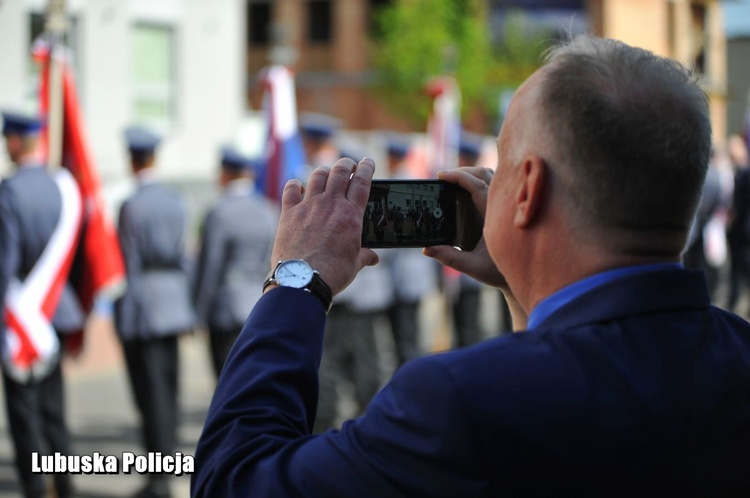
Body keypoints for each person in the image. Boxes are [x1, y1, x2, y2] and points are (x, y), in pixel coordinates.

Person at [192, 35, 750, 496]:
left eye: (502, 164)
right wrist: (522, 280)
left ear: (527, 189)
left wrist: (297, 278)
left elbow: (231, 480)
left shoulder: (454, 400)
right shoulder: (737, 351)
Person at [0, 111, 85, 498]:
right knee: (54, 409)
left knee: (24, 413)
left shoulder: (9, 192)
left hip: (22, 315)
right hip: (59, 308)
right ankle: (63, 485)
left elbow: (5, 264)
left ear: (17, 141)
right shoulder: (63, 187)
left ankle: (36, 488)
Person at [115, 126, 196, 498]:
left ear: (133, 160)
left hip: (144, 304)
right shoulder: (175, 200)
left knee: (150, 396)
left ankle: (157, 476)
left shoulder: (132, 205)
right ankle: (169, 467)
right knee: (169, 389)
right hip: (173, 301)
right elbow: (183, 257)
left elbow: (128, 263)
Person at [192, 147, 279, 379]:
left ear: (225, 174)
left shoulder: (219, 212)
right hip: (260, 305)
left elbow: (210, 267)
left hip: (226, 309)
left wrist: (199, 312)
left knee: (227, 381)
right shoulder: (269, 211)